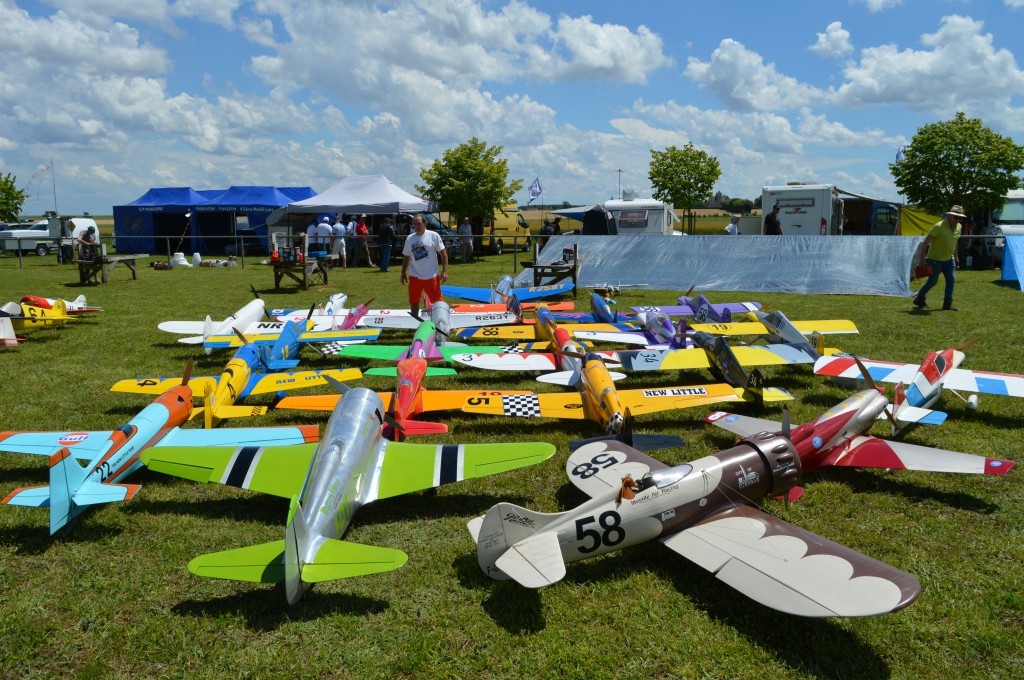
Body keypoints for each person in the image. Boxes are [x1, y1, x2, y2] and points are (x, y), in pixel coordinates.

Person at [913, 205, 966, 311]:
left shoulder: (959, 226)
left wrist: (956, 255)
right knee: (932, 282)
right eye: (956, 217)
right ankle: (919, 298)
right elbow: (925, 243)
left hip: (949, 259)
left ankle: (947, 304)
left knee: (951, 280)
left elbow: (955, 241)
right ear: (950, 215)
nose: (958, 220)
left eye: (960, 218)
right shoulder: (938, 226)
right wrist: (922, 258)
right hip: (935, 260)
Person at [401, 214, 448, 317]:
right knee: (414, 301)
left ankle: (440, 320)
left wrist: (444, 271)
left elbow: (443, 254)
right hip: (415, 276)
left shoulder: (433, 235)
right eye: (414, 224)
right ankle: (415, 321)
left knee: (437, 301)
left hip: (431, 276)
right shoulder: (410, 238)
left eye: (419, 224)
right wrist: (403, 273)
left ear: (424, 223)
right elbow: (406, 256)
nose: (417, 227)